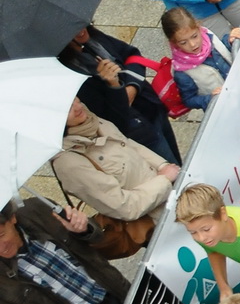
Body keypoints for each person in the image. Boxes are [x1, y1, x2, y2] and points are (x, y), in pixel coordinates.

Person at [0, 199, 130, 304]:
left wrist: (85, 229)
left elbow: (97, 236)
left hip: (118, 292)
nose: (1, 247)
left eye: (1, 235)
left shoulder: (38, 209)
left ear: (12, 218)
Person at [61, 24, 181, 166]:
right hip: (138, 131)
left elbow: (132, 55)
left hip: (152, 108)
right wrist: (114, 86)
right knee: (172, 170)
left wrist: (132, 87)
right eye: (72, 30)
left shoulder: (94, 39)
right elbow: (109, 117)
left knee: (179, 162)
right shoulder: (72, 77)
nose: (81, 30)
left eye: (80, 23)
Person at [51, 98, 177, 230]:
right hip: (159, 220)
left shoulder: (93, 121)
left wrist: (163, 166)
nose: (78, 107)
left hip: (173, 195)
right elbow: (124, 207)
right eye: (69, 108)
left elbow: (129, 145)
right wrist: (164, 180)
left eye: (77, 100)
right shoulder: (69, 165)